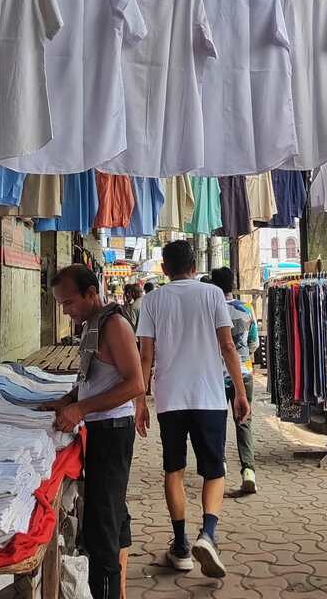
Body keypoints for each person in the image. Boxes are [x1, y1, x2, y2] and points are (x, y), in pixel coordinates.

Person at [135, 240, 250, 579]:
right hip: (210, 397)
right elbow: (228, 345)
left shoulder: (152, 300)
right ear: (194, 264)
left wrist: (140, 400)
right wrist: (240, 392)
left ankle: (182, 546)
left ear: (165, 269)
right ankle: (209, 535)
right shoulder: (213, 294)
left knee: (174, 469)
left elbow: (146, 357)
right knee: (213, 471)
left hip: (171, 399)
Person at [43, 264, 145, 599]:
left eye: (69, 303)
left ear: (91, 293)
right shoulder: (92, 325)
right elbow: (91, 378)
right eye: (61, 304)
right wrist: (68, 400)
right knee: (112, 513)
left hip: (112, 431)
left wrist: (80, 409)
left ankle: (108, 588)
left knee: (101, 529)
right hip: (100, 429)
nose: (65, 310)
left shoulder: (114, 324)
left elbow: (135, 384)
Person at [210, 267, 259, 494]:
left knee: (217, 421)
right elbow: (253, 344)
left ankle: (219, 467)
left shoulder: (211, 310)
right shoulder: (246, 309)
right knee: (244, 422)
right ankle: (248, 471)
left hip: (216, 375)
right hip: (244, 373)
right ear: (233, 284)